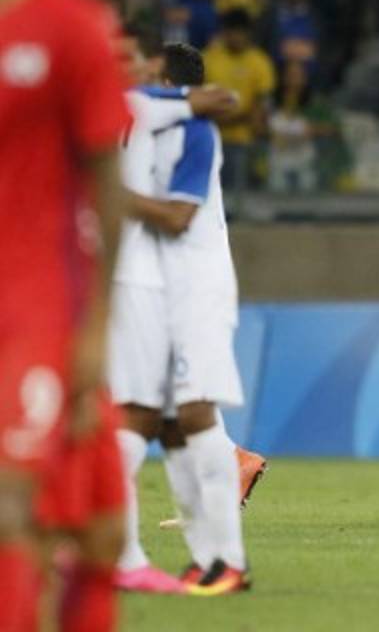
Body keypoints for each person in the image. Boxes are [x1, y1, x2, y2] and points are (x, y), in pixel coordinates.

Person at [0, 0, 135, 629]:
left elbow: (108, 185)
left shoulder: (70, 26)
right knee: (91, 531)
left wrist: (96, 325)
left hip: (41, 308)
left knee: (27, 507)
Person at [125, 44, 252, 593]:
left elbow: (177, 217)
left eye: (146, 69)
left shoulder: (195, 132)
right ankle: (206, 560)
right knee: (171, 424)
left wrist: (110, 194)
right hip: (155, 290)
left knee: (193, 412)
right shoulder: (136, 132)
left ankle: (230, 562)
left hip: (198, 288)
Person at [203, 8, 277, 193]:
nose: (235, 37)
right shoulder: (209, 59)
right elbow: (199, 98)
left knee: (248, 196)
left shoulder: (260, 62)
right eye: (230, 32)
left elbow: (263, 103)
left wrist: (237, 119)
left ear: (248, 33)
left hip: (247, 142)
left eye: (239, 32)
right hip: (212, 140)